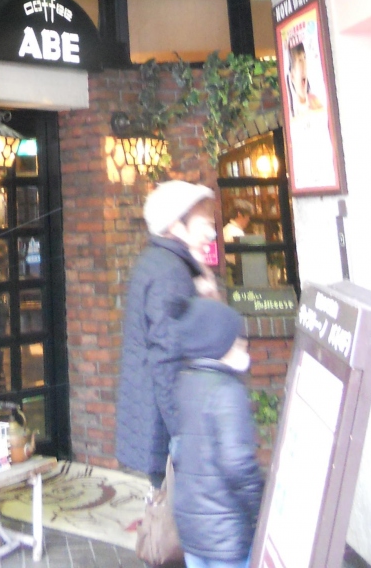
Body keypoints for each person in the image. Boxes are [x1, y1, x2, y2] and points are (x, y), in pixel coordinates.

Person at [116, 180, 219, 488]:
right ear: (176, 226)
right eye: (203, 224)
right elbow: (168, 360)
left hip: (154, 421)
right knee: (176, 511)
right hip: (166, 429)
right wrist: (186, 436)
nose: (211, 234)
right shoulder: (171, 273)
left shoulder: (158, 262)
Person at [171, 297, 264, 568]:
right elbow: (238, 464)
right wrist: (260, 508)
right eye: (237, 342)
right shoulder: (227, 391)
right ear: (219, 343)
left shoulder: (186, 382)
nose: (244, 347)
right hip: (226, 531)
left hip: (191, 525)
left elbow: (179, 451)